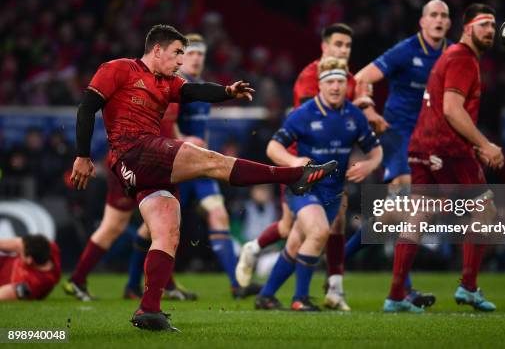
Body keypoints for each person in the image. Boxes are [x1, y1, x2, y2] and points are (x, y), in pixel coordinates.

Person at [70, 24, 337, 331]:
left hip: (143, 166)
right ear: (157, 49)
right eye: (177, 53)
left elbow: (194, 91)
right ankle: (292, 176)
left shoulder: (167, 83)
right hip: (133, 149)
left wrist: (227, 92)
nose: (181, 61)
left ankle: (148, 310)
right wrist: (82, 155)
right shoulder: (118, 68)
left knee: (167, 231)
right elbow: (87, 108)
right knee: (213, 161)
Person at [120, 33, 261, 299]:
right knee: (154, 229)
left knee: (218, 215)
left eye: (200, 54)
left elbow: (201, 132)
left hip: (198, 165)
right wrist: (183, 140)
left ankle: (236, 284)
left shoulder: (201, 87)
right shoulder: (174, 87)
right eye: (191, 53)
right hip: (176, 163)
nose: (196, 59)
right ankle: (134, 284)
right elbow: (163, 126)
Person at [384, 3, 504, 313]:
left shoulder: (449, 56)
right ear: (467, 28)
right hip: (447, 151)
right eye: (483, 24)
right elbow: (452, 109)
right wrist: (484, 144)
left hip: (422, 146)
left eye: (493, 25)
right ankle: (468, 287)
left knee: (419, 215)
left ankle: (395, 296)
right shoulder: (463, 58)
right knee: (485, 211)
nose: (490, 30)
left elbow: (443, 108)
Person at [236, 23, 364, 311]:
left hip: (330, 167)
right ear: (324, 46)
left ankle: (273, 291)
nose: (343, 50)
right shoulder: (310, 77)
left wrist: (365, 111)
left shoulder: (350, 79)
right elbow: (321, 122)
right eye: (338, 44)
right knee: (308, 230)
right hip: (302, 166)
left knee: (302, 232)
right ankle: (308, 292)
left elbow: (348, 117)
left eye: (348, 46)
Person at [347, 0, 453, 307]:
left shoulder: (453, 55)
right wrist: (367, 108)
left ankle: (340, 258)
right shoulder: (406, 50)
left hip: (431, 139)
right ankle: (402, 291)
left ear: (449, 24)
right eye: (433, 14)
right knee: (407, 204)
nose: (438, 20)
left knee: (399, 216)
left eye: (444, 16)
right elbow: (363, 78)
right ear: (422, 21)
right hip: (397, 134)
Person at [254, 57, 382, 311]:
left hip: (333, 192)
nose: (336, 87)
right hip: (304, 187)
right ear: (320, 85)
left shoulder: (354, 116)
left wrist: (369, 165)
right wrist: (293, 160)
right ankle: (300, 299)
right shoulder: (303, 114)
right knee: (319, 231)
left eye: (340, 82)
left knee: (296, 242)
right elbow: (272, 147)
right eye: (330, 81)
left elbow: (375, 151)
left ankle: (265, 296)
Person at [64, 110, 197, 302]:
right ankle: (80, 279)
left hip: (157, 162)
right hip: (134, 160)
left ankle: (152, 284)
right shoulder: (147, 87)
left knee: (162, 226)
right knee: (117, 226)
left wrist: (186, 141)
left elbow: (170, 128)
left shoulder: (173, 88)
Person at [0, 235, 61, 300]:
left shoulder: (33, 285)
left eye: (22, 252)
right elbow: (19, 244)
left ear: (29, 260)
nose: (20, 251)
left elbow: (3, 294)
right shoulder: (49, 248)